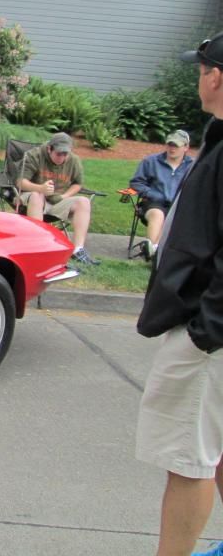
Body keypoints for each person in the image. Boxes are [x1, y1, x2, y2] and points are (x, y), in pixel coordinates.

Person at [136, 30, 223, 556]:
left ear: (216, 76)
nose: (198, 76)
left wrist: (203, 333)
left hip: (210, 337)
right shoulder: (218, 136)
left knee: (188, 460)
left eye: (201, 69)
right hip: (209, 329)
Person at [16, 131, 99, 266]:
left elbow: (78, 184)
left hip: (58, 200)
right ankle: (39, 246)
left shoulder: (73, 160)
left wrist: (64, 196)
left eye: (65, 154)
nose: (62, 157)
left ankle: (78, 250)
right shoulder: (34, 155)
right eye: (59, 153)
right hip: (33, 196)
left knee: (84, 202)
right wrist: (40, 188)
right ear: (49, 149)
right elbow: (20, 182)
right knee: (37, 197)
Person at [128, 129, 194, 259]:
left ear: (186, 147)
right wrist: (153, 194)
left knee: (174, 215)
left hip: (178, 205)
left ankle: (154, 250)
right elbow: (136, 183)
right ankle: (155, 251)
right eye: (170, 144)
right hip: (152, 203)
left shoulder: (192, 166)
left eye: (176, 145)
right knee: (158, 215)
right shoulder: (150, 161)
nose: (172, 148)